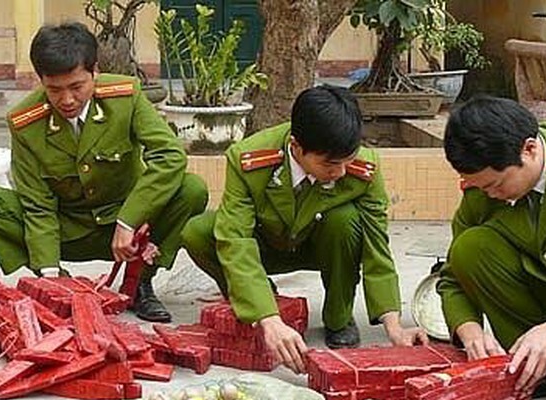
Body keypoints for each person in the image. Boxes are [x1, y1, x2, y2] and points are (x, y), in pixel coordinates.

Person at [0, 22, 208, 323]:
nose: (67, 100)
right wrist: (50, 277)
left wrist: (129, 220)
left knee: (192, 189)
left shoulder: (125, 97)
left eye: (77, 87)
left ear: (95, 72)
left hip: (129, 231)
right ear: (41, 81)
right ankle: (58, 282)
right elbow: (37, 205)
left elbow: (169, 156)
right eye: (54, 90)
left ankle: (140, 283)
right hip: (67, 230)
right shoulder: (25, 122)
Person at [181, 85, 428, 374]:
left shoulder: (364, 169)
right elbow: (236, 240)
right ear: (297, 147)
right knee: (198, 232)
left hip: (322, 246)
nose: (342, 172)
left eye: (349, 160)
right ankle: (254, 298)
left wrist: (394, 326)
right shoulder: (249, 159)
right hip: (267, 246)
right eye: (331, 164)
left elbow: (377, 249)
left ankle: (339, 317)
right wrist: (269, 319)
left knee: (345, 221)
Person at [439, 95, 546, 396]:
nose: (490, 194)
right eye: (482, 187)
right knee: (471, 248)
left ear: (530, 149)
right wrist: (470, 331)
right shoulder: (482, 190)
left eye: (497, 184)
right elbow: (452, 277)